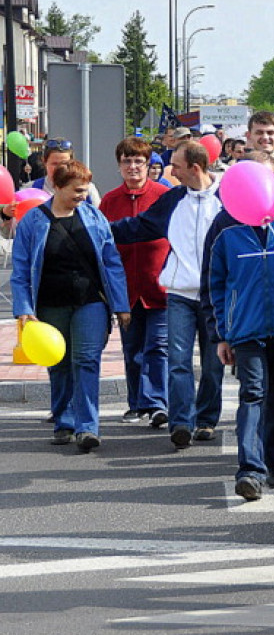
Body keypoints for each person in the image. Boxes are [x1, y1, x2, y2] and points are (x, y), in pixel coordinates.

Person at [110, 141, 225, 450]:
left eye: (176, 166)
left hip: (216, 296)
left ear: (195, 168)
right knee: (178, 361)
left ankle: (206, 420)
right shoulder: (174, 199)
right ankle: (181, 423)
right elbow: (140, 226)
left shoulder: (225, 198)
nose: (171, 171)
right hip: (179, 293)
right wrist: (101, 230)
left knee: (213, 364)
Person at [10, 160, 130, 452]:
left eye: (85, 190)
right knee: (60, 363)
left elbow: (112, 263)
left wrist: (121, 304)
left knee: (87, 360)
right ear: (58, 187)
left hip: (90, 302)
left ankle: (87, 427)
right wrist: (24, 308)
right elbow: (21, 268)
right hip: (50, 305)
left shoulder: (94, 217)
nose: (83, 196)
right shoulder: (33, 221)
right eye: (77, 190)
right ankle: (64, 420)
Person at [206, 195, 274, 502]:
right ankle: (250, 470)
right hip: (246, 330)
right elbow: (215, 287)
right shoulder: (226, 232)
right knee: (253, 394)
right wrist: (221, 334)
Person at [100, 137, 171, 428]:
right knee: (132, 350)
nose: (133, 167)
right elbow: (102, 245)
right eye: (127, 161)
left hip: (161, 286)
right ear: (119, 166)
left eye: (139, 161)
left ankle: (157, 403)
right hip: (126, 290)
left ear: (148, 164)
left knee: (157, 347)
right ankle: (136, 403)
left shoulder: (164, 196)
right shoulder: (110, 201)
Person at [25, 140, 101, 205]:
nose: (59, 168)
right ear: (44, 162)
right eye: (54, 164)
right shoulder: (30, 189)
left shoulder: (87, 189)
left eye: (64, 163)